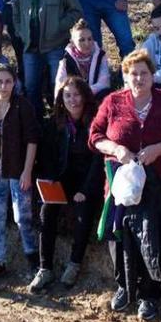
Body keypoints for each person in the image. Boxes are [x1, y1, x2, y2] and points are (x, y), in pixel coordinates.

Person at [89, 50, 161, 319]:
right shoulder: (113, 102)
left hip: (159, 183)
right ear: (125, 77)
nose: (138, 78)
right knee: (120, 235)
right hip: (120, 184)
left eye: (143, 73)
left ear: (153, 76)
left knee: (152, 237)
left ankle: (150, 294)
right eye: (132, 73)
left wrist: (159, 149)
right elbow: (94, 135)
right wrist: (116, 149)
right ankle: (123, 287)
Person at [28, 77, 104, 292]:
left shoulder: (95, 122)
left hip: (87, 181)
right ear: (61, 97)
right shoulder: (55, 122)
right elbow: (48, 157)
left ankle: (74, 264)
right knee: (46, 211)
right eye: (68, 95)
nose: (72, 99)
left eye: (77, 94)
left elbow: (98, 161)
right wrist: (50, 181)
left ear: (85, 96)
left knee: (84, 212)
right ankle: (45, 269)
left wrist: (85, 190)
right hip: (62, 178)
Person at [0, 64, 40, 281]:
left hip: (17, 168)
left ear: (14, 83)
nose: (4, 86)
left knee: (22, 216)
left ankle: (33, 257)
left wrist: (27, 171)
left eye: (8, 81)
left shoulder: (23, 106)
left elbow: (32, 140)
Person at [11, 0, 83, 111]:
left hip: (55, 46)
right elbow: (15, 12)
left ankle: (61, 125)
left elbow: (76, 10)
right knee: (31, 87)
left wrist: (59, 26)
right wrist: (21, 31)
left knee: (58, 86)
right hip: (30, 48)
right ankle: (37, 127)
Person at [53, 19, 110, 101]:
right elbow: (59, 86)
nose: (87, 43)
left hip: (94, 98)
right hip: (74, 100)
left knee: (106, 93)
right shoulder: (65, 60)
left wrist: (84, 92)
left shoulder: (100, 56)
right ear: (72, 43)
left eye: (89, 39)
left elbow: (104, 83)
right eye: (81, 40)